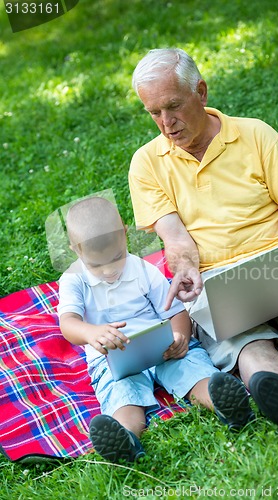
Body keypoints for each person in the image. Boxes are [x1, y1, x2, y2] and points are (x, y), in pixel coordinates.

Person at [129, 48, 278, 430]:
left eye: (173, 106)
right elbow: (174, 237)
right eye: (154, 112)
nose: (165, 123)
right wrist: (186, 270)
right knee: (247, 343)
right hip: (217, 281)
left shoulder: (256, 134)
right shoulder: (146, 163)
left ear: (201, 93)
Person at [57, 196, 254, 463]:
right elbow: (68, 324)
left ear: (125, 234)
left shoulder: (142, 269)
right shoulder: (72, 280)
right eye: (96, 265)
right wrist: (91, 333)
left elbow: (175, 312)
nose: (108, 271)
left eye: (116, 257)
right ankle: (124, 439)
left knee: (192, 370)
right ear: (76, 251)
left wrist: (180, 337)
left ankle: (227, 404)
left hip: (162, 346)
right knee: (123, 397)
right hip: (114, 359)